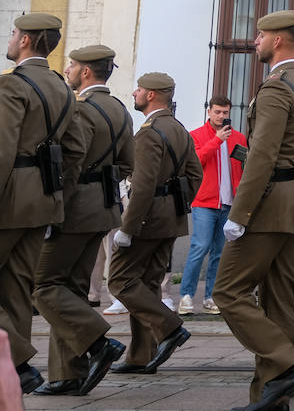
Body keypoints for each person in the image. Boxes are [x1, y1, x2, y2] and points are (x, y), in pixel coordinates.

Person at [213, 10, 294, 411]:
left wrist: (239, 213)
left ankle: (285, 365)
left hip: (269, 202)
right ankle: (272, 398)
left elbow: (261, 157)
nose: (255, 41)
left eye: (261, 35)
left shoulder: (276, 88)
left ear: (278, 41)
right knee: (279, 299)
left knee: (227, 291)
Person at [33, 44, 132, 397]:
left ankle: (99, 341)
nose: (69, 70)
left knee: (43, 285)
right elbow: (127, 163)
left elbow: (71, 161)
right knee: (70, 289)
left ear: (86, 72)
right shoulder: (119, 109)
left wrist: (56, 206)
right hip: (103, 208)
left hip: (75, 209)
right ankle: (67, 374)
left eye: (73, 65)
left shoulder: (80, 108)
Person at [0, 13, 90, 396]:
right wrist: (56, 195)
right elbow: (75, 150)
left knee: (16, 288)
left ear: (25, 40)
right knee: (16, 289)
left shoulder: (11, 86)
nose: (10, 37)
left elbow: (2, 152)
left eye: (14, 32)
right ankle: (12, 375)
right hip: (43, 199)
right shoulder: (59, 87)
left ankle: (19, 364)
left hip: (10, 199)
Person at [108, 72, 199, 376]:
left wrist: (127, 228)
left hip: (145, 219)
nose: (134, 92)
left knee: (120, 281)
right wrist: (174, 205)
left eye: (139, 89)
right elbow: (195, 176)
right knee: (146, 284)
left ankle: (170, 327)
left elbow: (144, 185)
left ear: (151, 95)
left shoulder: (149, 132)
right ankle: (141, 356)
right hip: (171, 219)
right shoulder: (179, 128)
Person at [178, 95, 245, 315]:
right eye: (217, 112)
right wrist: (216, 140)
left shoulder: (239, 138)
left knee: (220, 252)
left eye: (225, 112)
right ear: (209, 112)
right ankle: (186, 296)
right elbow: (195, 162)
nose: (221, 116)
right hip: (205, 202)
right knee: (200, 247)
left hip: (229, 203)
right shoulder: (196, 135)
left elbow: (243, 168)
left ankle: (210, 297)